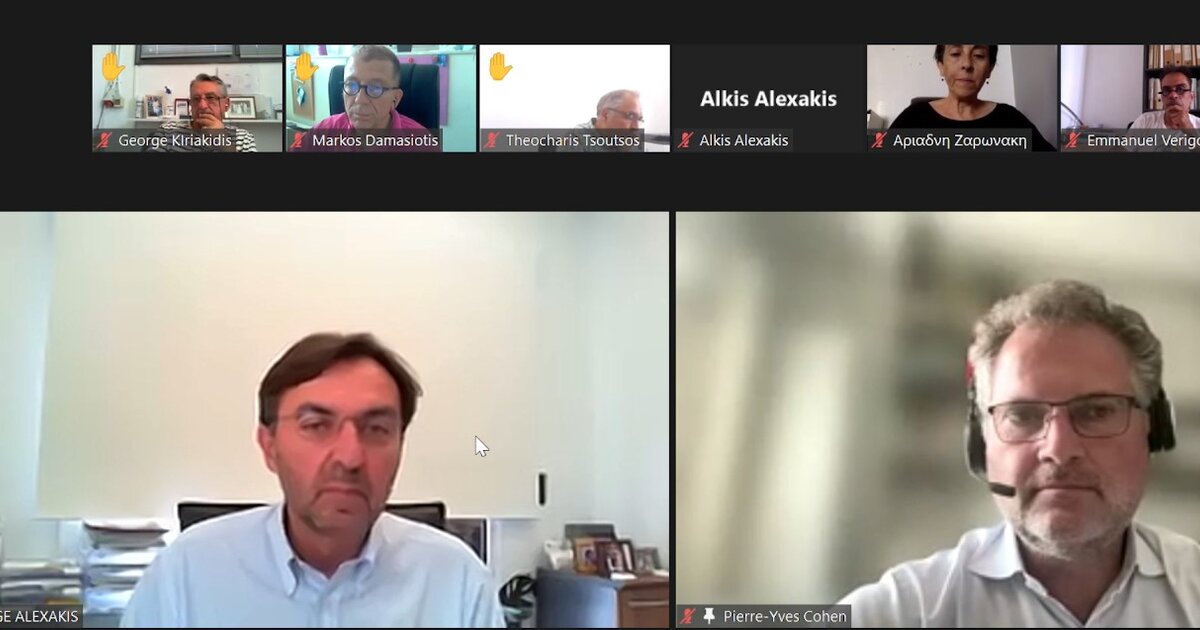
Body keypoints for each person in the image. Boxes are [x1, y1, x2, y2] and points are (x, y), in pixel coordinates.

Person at [837, 280, 1200, 627]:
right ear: (981, 442)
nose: (1058, 450)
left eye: (1096, 411)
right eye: (1022, 415)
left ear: (1154, 431)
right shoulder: (901, 610)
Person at [121, 332, 504, 628]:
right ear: (269, 446)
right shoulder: (186, 574)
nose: (350, 458)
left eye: (376, 429)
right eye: (317, 425)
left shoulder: (457, 581)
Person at [887, 45, 1056, 151]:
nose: (967, 64)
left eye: (979, 55)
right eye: (955, 53)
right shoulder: (914, 117)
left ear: (990, 69)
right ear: (941, 66)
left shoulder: (1011, 118)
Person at [293, 45, 427, 152]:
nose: (359, 99)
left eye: (375, 88)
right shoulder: (324, 131)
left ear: (396, 98)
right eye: (351, 85)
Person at [146, 74, 256, 152]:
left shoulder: (243, 138)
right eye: (196, 99)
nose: (202, 106)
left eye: (211, 97)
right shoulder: (168, 131)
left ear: (226, 104)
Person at [1131, 67, 1199, 130]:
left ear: (1191, 97)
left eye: (1180, 89)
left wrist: (1190, 130)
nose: (1173, 95)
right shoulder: (1144, 121)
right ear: (1162, 98)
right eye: (1166, 90)